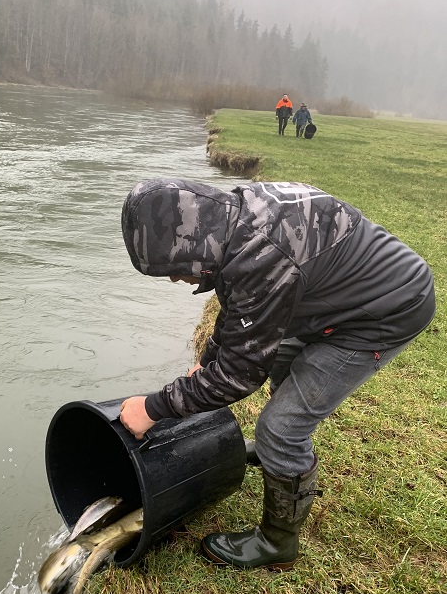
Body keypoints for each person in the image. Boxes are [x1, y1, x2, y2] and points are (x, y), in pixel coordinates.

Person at [119, 178, 435, 571]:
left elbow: (238, 376)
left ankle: (277, 542)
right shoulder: (233, 218)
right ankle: (280, 455)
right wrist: (210, 356)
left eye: (173, 270)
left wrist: (152, 408)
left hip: (384, 313)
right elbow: (239, 304)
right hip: (335, 296)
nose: (174, 279)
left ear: (192, 249)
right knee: (282, 367)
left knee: (281, 428)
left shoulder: (260, 256)